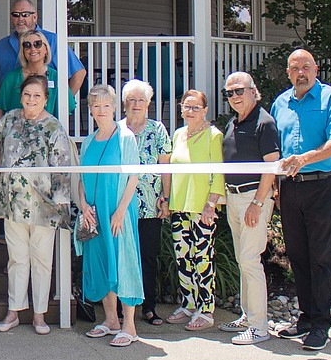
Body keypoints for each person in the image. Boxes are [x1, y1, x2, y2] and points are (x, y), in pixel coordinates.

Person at [271, 49, 331, 352]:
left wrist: (305, 158)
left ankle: (321, 324)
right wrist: (277, 188)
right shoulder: (281, 103)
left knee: (321, 257)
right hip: (290, 189)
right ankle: (305, 318)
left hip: (322, 187)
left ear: (316, 69)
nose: (301, 73)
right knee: (298, 256)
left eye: (306, 67)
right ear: (288, 72)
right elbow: (276, 151)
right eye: (295, 68)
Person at [0, 74, 73, 335]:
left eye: (37, 95)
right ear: (21, 96)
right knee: (17, 259)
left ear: (46, 99)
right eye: (27, 95)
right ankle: (14, 311)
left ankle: (39, 315)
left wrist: (61, 205)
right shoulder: (11, 118)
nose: (31, 100)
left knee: (42, 260)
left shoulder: (53, 127)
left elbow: (61, 169)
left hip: (44, 206)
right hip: (12, 202)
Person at [79, 84, 143, 347]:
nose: (101, 110)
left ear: (115, 107)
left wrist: (120, 211)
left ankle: (129, 325)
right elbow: (80, 179)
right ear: (90, 109)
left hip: (118, 211)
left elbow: (133, 177)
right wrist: (83, 206)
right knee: (102, 261)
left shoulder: (126, 137)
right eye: (96, 105)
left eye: (106, 105)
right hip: (94, 212)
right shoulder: (87, 141)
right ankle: (110, 320)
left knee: (123, 261)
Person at [221, 71, 280, 345]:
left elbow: (271, 167)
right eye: (229, 93)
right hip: (234, 198)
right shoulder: (234, 122)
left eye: (239, 91)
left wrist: (258, 202)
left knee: (250, 260)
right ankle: (247, 316)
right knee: (241, 260)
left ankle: (259, 327)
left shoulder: (264, 123)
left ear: (253, 90)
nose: (234, 96)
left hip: (253, 199)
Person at [166, 89, 224, 331]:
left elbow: (219, 172)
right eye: (186, 107)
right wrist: (166, 199)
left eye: (195, 107)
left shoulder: (213, 135)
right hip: (180, 205)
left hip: (202, 208)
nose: (190, 111)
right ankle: (188, 303)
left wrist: (211, 205)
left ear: (205, 110)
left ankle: (206, 310)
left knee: (202, 259)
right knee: (183, 258)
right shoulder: (178, 134)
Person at [119, 79, 172, 326]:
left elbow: (165, 167)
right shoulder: (117, 129)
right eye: (131, 100)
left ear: (149, 103)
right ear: (124, 103)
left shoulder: (158, 129)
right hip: (121, 207)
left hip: (150, 205)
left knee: (148, 256)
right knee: (122, 256)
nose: (136, 104)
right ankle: (121, 307)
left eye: (141, 100)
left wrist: (166, 198)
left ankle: (148, 307)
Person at [0, 0, 85, 98]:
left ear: (34, 17)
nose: (20, 19)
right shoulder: (2, 45)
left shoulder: (53, 40)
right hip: (8, 108)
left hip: (46, 109)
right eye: (16, 15)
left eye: (25, 14)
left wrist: (64, 103)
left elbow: (78, 73)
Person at [0, 31, 76, 122]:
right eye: (27, 45)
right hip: (15, 133)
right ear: (23, 51)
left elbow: (67, 109)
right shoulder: (11, 78)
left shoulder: (56, 77)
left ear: (46, 50)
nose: (32, 48)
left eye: (37, 44)